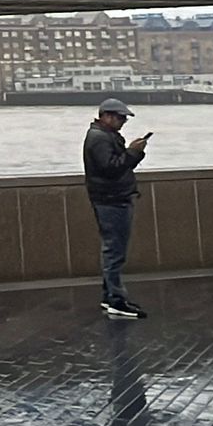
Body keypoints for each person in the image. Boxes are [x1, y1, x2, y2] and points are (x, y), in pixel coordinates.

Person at [85, 98, 151, 320]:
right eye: (121, 118)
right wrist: (134, 152)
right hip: (111, 200)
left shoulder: (102, 136)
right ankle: (116, 300)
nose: (123, 122)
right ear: (107, 116)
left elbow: (114, 165)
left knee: (113, 249)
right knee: (114, 251)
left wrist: (133, 153)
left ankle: (110, 296)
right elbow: (111, 169)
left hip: (112, 198)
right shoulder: (99, 138)